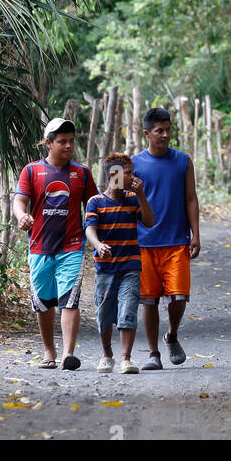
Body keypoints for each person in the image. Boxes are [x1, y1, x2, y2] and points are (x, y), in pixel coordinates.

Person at [14, 117, 97, 370]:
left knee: (69, 299)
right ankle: (49, 351)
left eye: (71, 141)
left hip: (72, 246)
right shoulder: (31, 171)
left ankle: (68, 354)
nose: (68, 146)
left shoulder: (82, 173)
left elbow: (93, 207)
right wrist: (22, 217)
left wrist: (97, 235)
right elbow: (20, 202)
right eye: (62, 142)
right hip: (39, 247)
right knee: (43, 301)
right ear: (48, 143)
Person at [130, 107, 200, 370]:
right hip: (144, 243)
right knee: (149, 300)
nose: (165, 135)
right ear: (147, 134)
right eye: (159, 131)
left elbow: (191, 199)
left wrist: (195, 234)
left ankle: (171, 334)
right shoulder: (133, 164)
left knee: (179, 297)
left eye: (168, 129)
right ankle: (153, 353)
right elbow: (119, 200)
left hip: (176, 240)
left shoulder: (183, 161)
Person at [84, 153, 156, 374]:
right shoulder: (95, 202)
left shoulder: (133, 199)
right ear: (114, 175)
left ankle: (126, 358)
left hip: (130, 267)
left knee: (128, 310)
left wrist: (141, 194)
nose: (132, 176)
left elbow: (150, 221)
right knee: (104, 312)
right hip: (105, 269)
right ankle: (107, 355)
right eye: (127, 173)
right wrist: (98, 245)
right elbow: (89, 229)